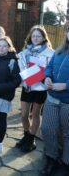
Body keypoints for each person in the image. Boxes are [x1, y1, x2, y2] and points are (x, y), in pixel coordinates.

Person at [17, 25, 54, 153]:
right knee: (24, 115)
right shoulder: (24, 52)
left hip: (40, 88)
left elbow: (50, 70)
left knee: (35, 114)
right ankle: (27, 135)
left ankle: (31, 139)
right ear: (30, 37)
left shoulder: (50, 53)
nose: (35, 38)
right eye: (33, 36)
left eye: (38, 36)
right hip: (27, 86)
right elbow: (21, 67)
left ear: (44, 38)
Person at [41, 27, 69, 175]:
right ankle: (51, 157)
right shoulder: (59, 50)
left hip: (67, 102)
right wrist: (47, 77)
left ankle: (66, 163)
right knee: (47, 129)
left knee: (67, 134)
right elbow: (49, 67)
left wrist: (65, 85)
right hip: (52, 98)